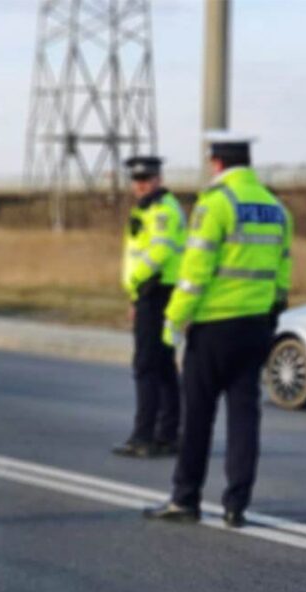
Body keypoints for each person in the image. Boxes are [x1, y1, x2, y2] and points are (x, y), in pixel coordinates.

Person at [144, 132, 293, 528]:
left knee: (198, 416)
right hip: (256, 325)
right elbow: (283, 269)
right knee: (245, 417)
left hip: (213, 327)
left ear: (216, 163)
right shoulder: (276, 207)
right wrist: (272, 312)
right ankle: (236, 505)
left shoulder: (215, 204)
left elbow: (195, 273)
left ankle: (185, 498)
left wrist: (173, 321)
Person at [112, 156, 184, 459]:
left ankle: (144, 436)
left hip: (157, 291)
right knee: (163, 365)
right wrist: (134, 296)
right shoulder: (147, 208)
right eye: (137, 180)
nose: (141, 185)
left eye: (147, 179)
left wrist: (137, 279)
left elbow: (161, 249)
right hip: (149, 292)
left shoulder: (163, 209)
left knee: (146, 365)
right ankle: (168, 434)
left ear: (158, 179)